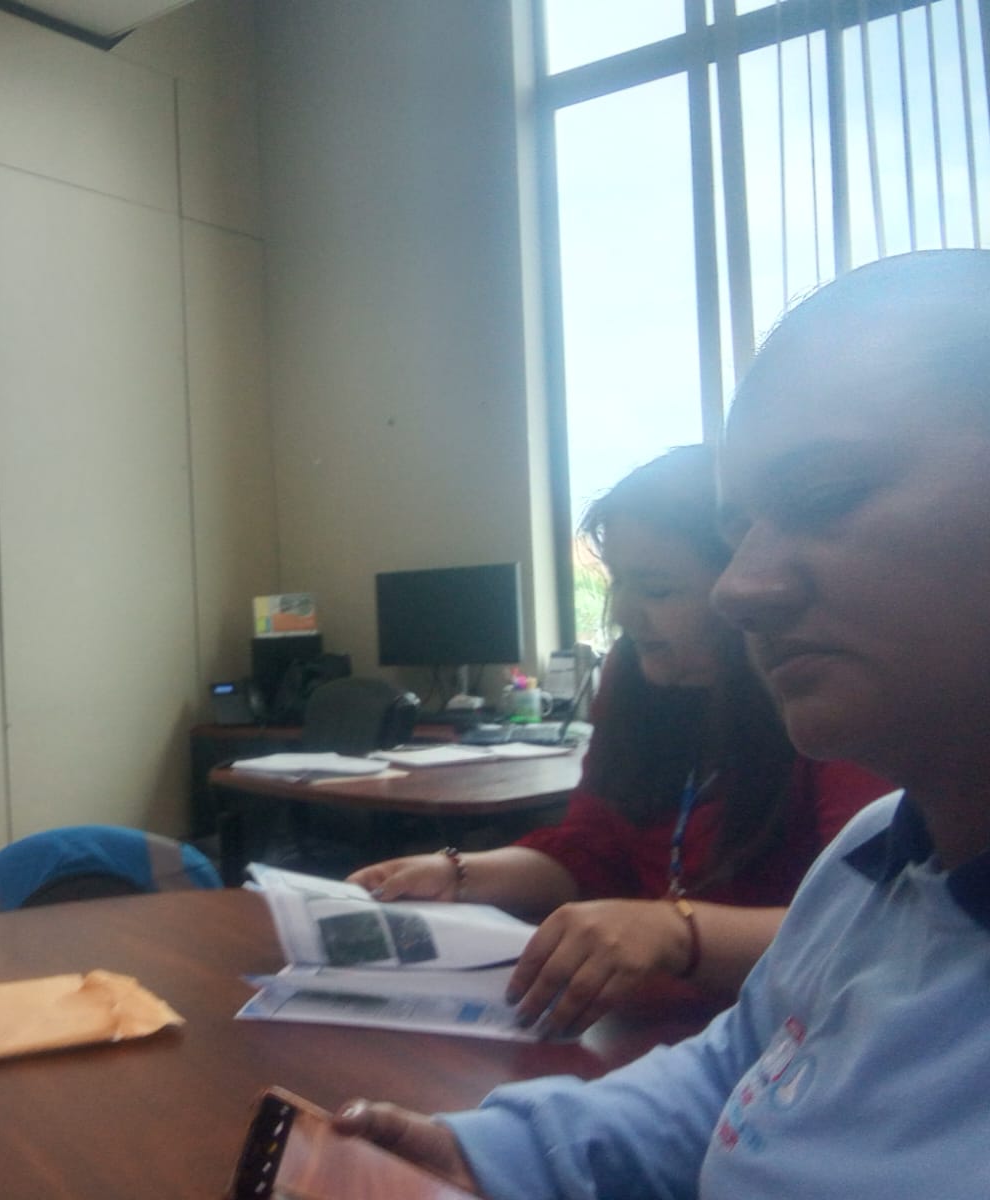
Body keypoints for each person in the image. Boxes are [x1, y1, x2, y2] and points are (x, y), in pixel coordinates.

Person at [332, 248, 990, 1198]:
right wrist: (496, 1155)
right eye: (738, 533)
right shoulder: (872, 859)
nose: (741, 588)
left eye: (825, 496)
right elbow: (742, 1071)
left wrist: (674, 931)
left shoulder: (839, 761)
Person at [348, 445, 889, 1035]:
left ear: (746, 588)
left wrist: (674, 933)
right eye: (619, 582)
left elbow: (872, 927)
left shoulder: (831, 702)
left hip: (800, 1030)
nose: (625, 613)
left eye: (657, 590)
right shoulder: (633, 680)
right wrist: (457, 874)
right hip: (660, 1020)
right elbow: (589, 850)